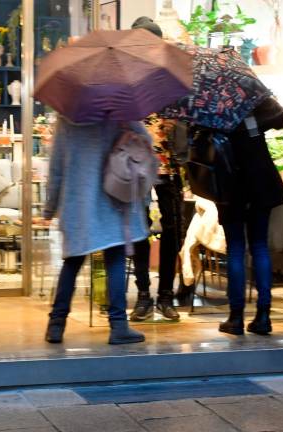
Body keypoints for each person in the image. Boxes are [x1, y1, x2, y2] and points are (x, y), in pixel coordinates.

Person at [44, 118, 151, 345]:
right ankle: (119, 326)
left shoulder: (68, 117)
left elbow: (56, 169)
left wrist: (49, 207)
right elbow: (146, 144)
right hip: (114, 197)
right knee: (115, 259)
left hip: (78, 201)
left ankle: (56, 324)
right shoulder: (122, 110)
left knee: (72, 262)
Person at [127, 16, 186, 322]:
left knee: (174, 231)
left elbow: (184, 114)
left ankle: (166, 295)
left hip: (170, 165)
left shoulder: (170, 74)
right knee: (138, 230)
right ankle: (143, 295)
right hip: (136, 164)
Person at [215, 124, 283, 336]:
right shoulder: (253, 100)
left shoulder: (213, 110)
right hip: (260, 181)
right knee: (259, 246)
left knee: (236, 249)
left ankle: (236, 317)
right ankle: (264, 315)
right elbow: (281, 118)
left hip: (230, 186)